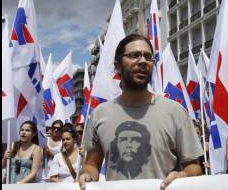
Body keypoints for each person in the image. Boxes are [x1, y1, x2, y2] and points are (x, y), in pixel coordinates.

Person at [79, 34, 203, 190]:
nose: (143, 61)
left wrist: (182, 176)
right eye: (134, 55)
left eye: (148, 57)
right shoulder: (99, 114)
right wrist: (86, 175)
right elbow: (91, 163)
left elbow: (194, 166)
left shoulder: (176, 111)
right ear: (117, 66)